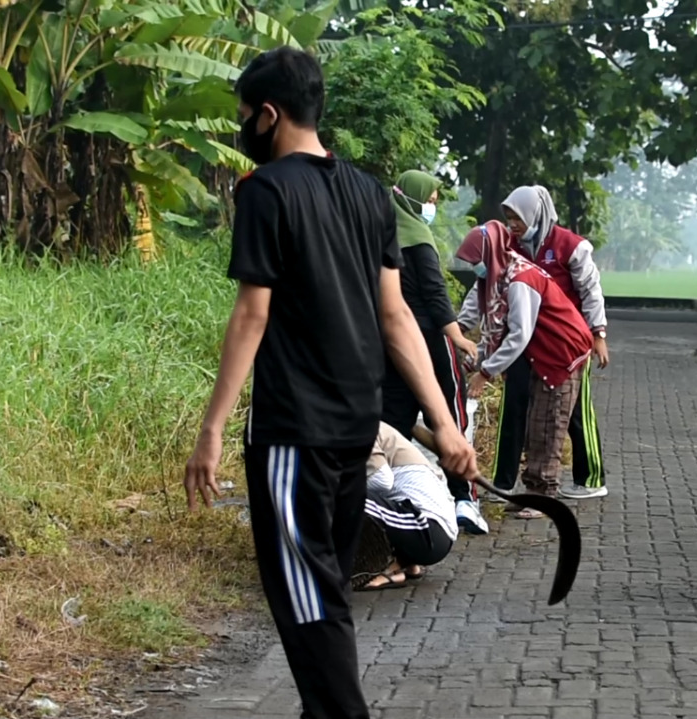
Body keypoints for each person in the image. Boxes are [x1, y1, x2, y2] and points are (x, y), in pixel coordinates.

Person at [181, 48, 477, 719]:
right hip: (356, 431)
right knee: (326, 597)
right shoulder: (370, 194)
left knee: (308, 606)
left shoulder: (265, 191)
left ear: (269, 114)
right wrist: (446, 421)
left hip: (293, 436)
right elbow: (397, 317)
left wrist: (212, 427)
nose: (242, 128)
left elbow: (252, 314)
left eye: (243, 116)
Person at [458, 185, 610, 501]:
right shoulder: (505, 248)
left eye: (518, 218)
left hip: (563, 344)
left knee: (570, 415)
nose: (513, 225)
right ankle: (505, 481)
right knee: (516, 408)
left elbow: (591, 291)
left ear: (536, 214)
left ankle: (589, 477)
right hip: (526, 343)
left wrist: (598, 333)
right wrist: (458, 329)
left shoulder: (569, 246)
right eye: (509, 218)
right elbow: (482, 292)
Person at [379, 169, 488, 536]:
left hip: (391, 343)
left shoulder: (382, 235)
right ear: (411, 198)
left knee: (393, 419)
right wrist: (458, 337)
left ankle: (389, 494)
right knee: (451, 418)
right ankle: (465, 500)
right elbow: (435, 295)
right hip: (430, 340)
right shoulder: (420, 240)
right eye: (428, 201)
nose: (430, 208)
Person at [353, 422, 459, 590]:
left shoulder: (358, 425)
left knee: (340, 498)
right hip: (435, 532)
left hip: (429, 530)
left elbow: (381, 481)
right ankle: (403, 563)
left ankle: (386, 569)